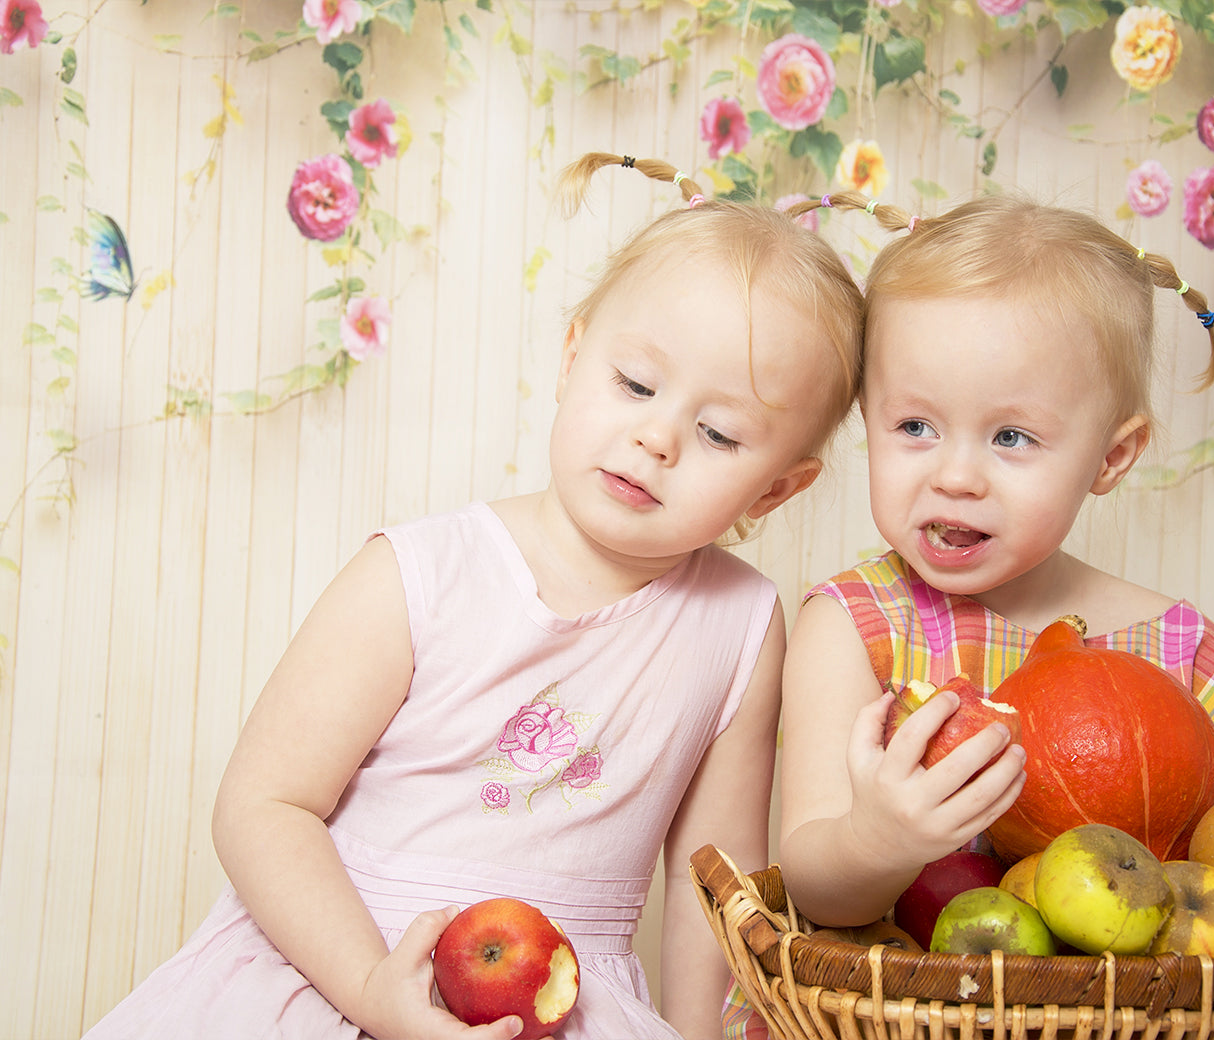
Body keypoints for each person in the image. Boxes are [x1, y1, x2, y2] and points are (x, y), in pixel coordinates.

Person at [82, 154, 865, 1040]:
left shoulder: (741, 625)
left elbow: (709, 890)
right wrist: (373, 989)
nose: (657, 437)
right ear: (572, 359)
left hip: (562, 1004)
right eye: (636, 385)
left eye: (718, 434)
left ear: (777, 490)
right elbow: (263, 806)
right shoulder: (420, 573)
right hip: (336, 965)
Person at [776, 191, 1214, 998]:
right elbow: (813, 886)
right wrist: (879, 840)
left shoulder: (1177, 647)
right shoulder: (855, 624)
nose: (955, 476)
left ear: (1112, 458)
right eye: (915, 427)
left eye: (1011, 437)